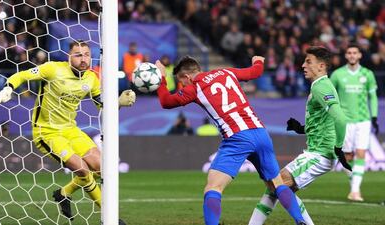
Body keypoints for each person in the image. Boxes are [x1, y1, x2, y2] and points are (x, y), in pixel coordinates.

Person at [0, 40, 136, 220]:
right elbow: (23, 75)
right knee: (82, 169)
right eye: (78, 55)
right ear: (69, 57)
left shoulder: (91, 78)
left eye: (87, 55)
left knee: (101, 168)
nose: (83, 59)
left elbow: (102, 107)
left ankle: (63, 193)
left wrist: (118, 103)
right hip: (47, 132)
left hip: (71, 130)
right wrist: (8, 88)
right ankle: (111, 218)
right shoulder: (53, 69)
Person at [155, 56, 306, 225]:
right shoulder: (226, 72)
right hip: (261, 133)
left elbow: (166, 102)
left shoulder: (196, 87)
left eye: (181, 82)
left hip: (237, 138)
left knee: (213, 188)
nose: (182, 87)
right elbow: (255, 72)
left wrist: (162, 78)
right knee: (276, 184)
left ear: (188, 77)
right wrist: (258, 61)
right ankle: (300, 221)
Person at [248, 46, 351, 225]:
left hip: (320, 154)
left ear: (321, 66)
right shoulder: (320, 86)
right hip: (318, 151)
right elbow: (324, 120)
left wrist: (338, 147)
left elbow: (341, 119)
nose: (303, 65)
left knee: (277, 183)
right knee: (275, 189)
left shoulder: (321, 87)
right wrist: (302, 128)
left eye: (308, 61)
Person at [330, 43, 379, 201]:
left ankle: (355, 190)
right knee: (348, 156)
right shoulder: (337, 75)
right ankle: (354, 186)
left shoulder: (368, 74)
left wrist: (375, 117)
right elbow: (330, 96)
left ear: (359, 55)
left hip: (363, 120)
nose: (352, 55)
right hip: (345, 122)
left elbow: (373, 97)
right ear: (346, 56)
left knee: (361, 153)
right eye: (349, 53)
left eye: (354, 53)